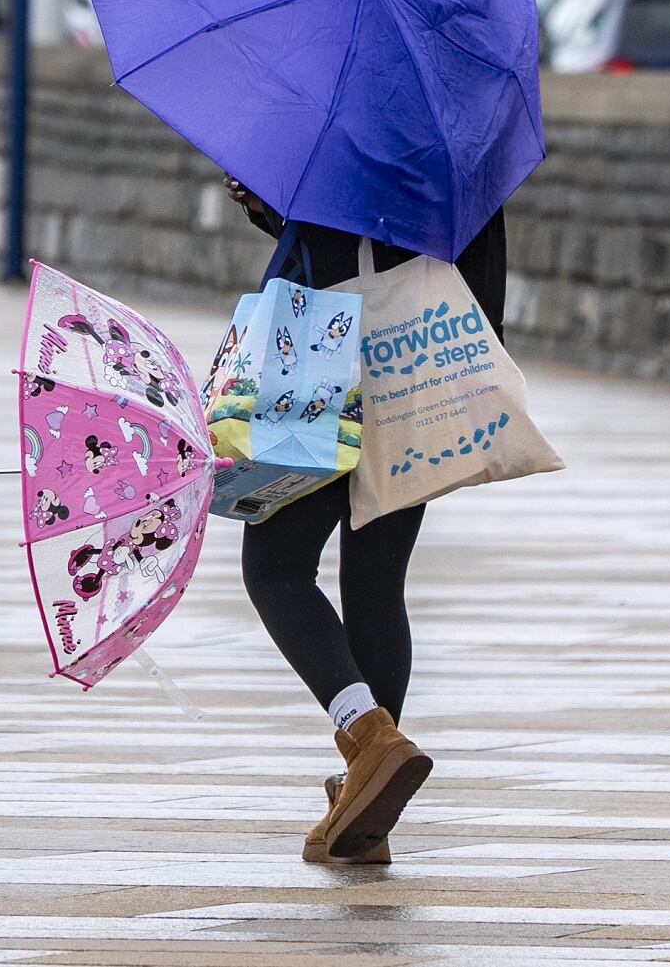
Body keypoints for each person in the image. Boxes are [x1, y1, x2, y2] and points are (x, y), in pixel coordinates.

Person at [226, 174, 506, 865]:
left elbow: (327, 251)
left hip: (324, 359)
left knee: (276, 566)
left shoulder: (330, 128)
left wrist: (273, 201)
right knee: (377, 581)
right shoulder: (455, 137)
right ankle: (368, 806)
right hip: (424, 364)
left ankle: (368, 736)